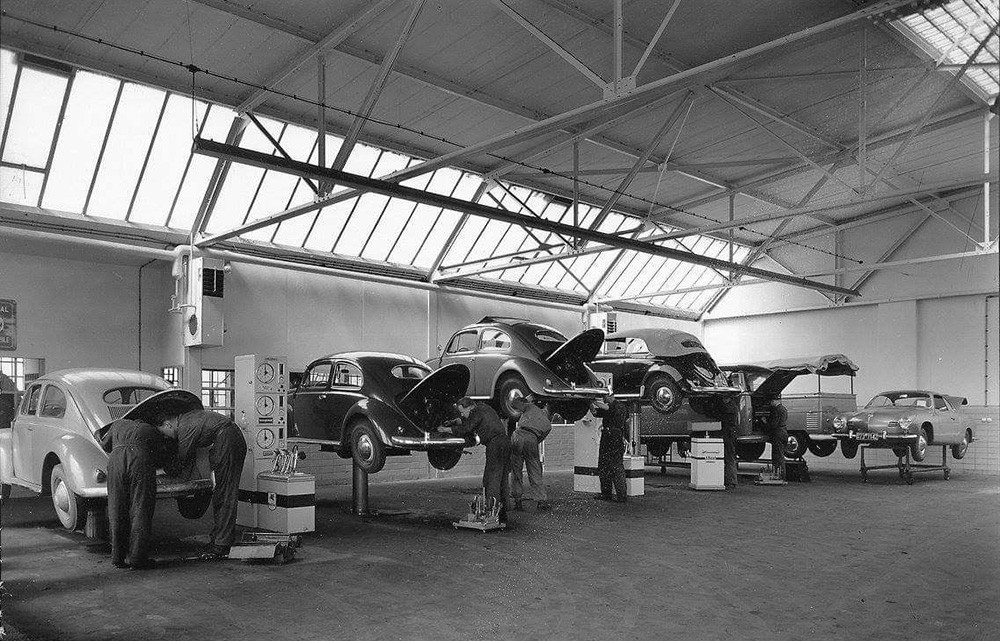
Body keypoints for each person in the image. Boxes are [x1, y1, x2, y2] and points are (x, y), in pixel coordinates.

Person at [158, 409, 247, 558]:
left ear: (168, 424)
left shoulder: (185, 428)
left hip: (227, 442)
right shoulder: (187, 418)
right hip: (230, 439)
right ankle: (220, 537)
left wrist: (162, 470)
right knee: (224, 492)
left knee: (224, 494)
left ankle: (221, 544)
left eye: (163, 433)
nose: (165, 436)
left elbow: (182, 458)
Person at [99, 418, 164, 570]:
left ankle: (117, 558)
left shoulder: (118, 423)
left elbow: (104, 444)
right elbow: (161, 454)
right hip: (140, 460)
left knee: (116, 508)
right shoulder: (150, 429)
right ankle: (137, 559)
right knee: (141, 509)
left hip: (116, 460)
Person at [438, 397, 510, 523]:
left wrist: (446, 429)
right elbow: (471, 422)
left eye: (462, 412)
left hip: (495, 445)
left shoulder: (477, 412)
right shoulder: (484, 408)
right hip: (504, 443)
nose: (462, 414)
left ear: (470, 407)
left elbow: (467, 428)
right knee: (502, 479)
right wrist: (457, 421)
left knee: (490, 479)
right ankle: (502, 514)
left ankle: (491, 514)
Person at [509, 396, 551, 511]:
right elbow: (539, 438)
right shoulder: (548, 425)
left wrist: (525, 398)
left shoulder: (530, 407)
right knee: (534, 469)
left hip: (518, 435)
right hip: (532, 438)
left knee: (516, 469)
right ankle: (541, 501)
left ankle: (517, 501)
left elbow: (514, 403)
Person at [591, 394, 628, 502]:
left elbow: (607, 408)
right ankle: (606, 494)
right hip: (607, 437)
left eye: (605, 396)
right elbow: (595, 413)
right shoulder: (609, 407)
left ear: (611, 395)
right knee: (603, 466)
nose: (603, 399)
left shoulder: (619, 406)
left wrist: (593, 401)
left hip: (615, 437)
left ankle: (621, 496)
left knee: (616, 466)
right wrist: (589, 404)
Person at [719, 396, 740, 489]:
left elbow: (723, 417)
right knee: (730, 457)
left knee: (729, 458)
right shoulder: (733, 407)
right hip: (731, 434)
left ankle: (731, 481)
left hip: (729, 434)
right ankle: (731, 480)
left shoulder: (729, 408)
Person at [767, 398, 788, 480]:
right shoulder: (784, 409)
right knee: (780, 455)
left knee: (778, 457)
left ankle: (781, 476)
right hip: (784, 433)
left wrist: (764, 423)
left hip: (778, 434)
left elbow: (773, 424)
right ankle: (781, 475)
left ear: (775, 401)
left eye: (771, 401)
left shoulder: (777, 410)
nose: (770, 403)